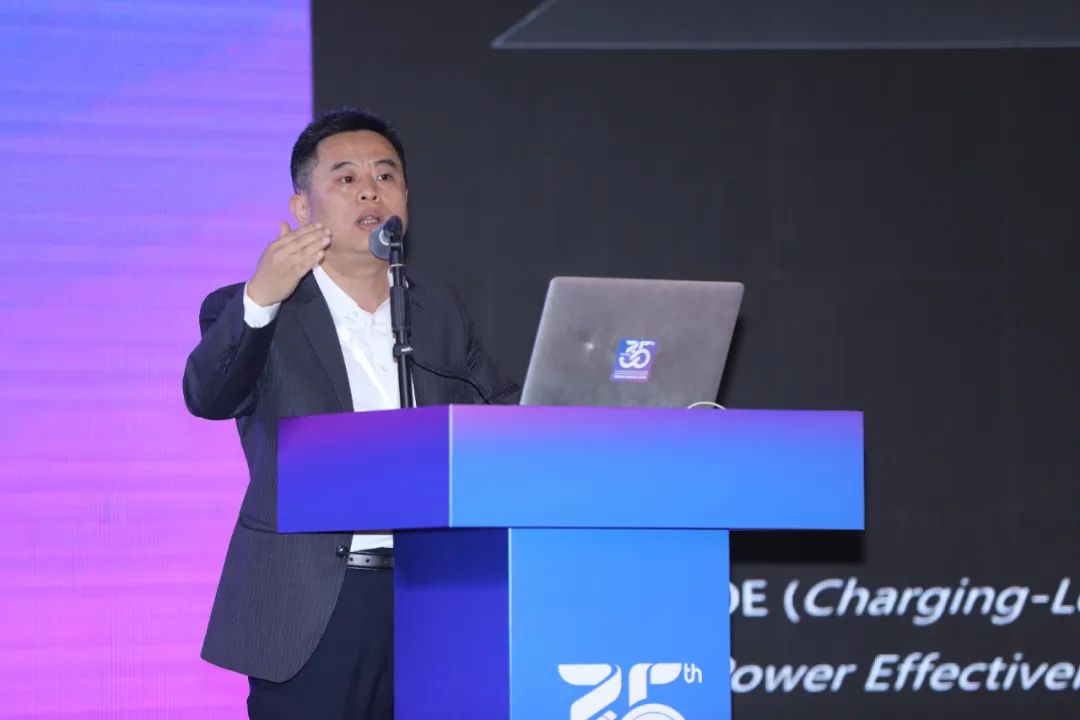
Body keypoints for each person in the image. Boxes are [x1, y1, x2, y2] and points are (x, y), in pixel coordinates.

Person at [182, 109, 518, 719]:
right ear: (302, 207)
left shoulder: (439, 311)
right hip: (311, 604)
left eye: (386, 176)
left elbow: (501, 419)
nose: (370, 191)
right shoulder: (253, 307)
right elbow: (208, 396)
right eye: (346, 178)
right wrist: (261, 298)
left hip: (433, 594)